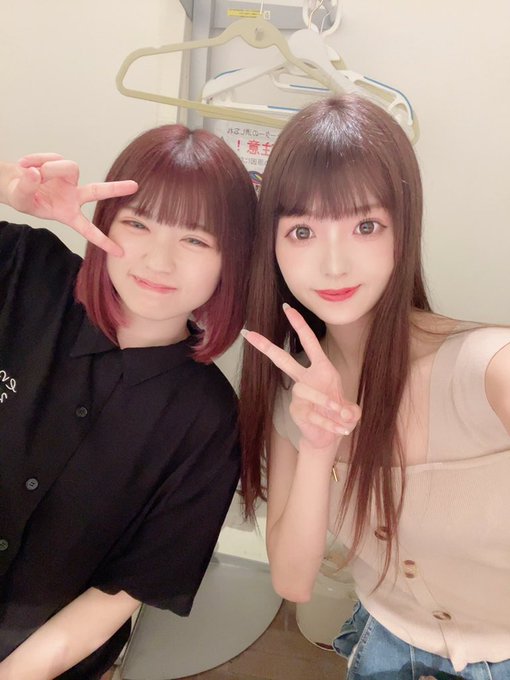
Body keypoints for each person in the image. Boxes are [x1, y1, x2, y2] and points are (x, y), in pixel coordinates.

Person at [238, 94, 510, 680]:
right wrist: (318, 448)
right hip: (385, 649)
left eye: (365, 225)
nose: (334, 265)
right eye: (302, 230)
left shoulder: (489, 370)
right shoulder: (294, 396)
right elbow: (292, 579)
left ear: (402, 232)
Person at [0, 123, 257, 679]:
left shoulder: (209, 420)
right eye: (138, 223)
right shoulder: (25, 270)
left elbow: (126, 585)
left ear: (230, 260)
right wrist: (8, 184)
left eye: (195, 239)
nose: (158, 261)